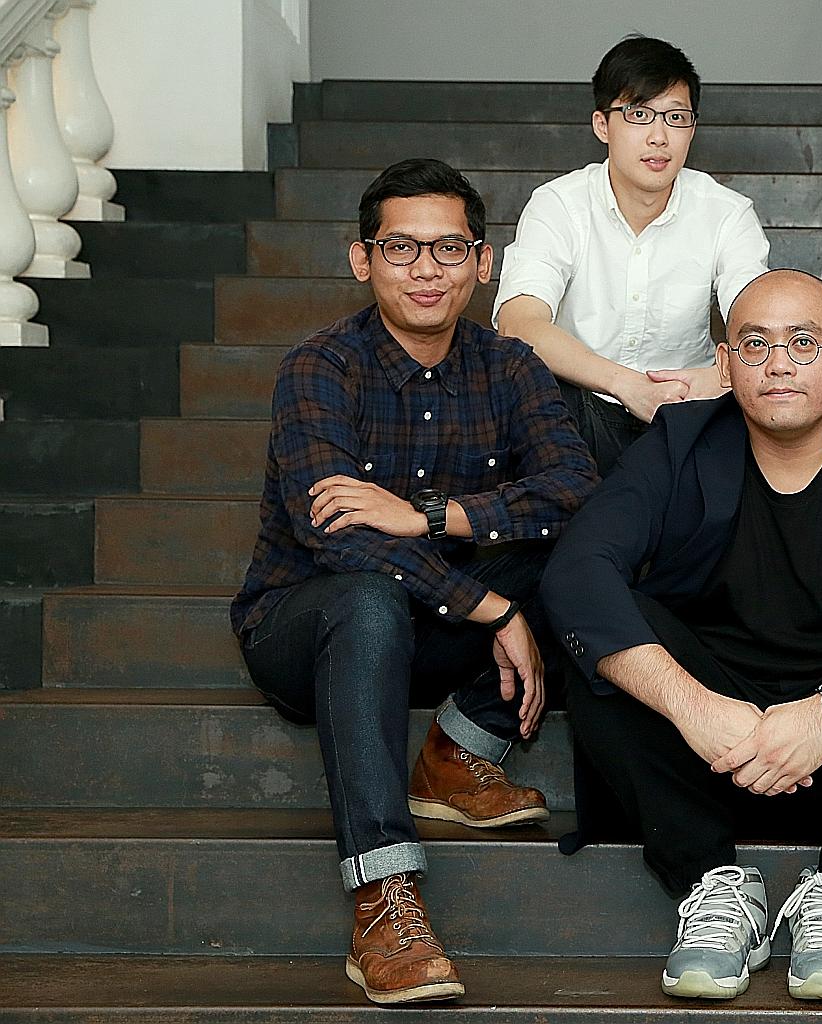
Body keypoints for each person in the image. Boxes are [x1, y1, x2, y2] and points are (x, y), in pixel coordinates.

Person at [540, 270, 822, 1001]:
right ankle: (712, 884)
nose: (778, 363)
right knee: (609, 644)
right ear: (725, 366)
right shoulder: (679, 440)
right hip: (708, 746)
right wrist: (694, 707)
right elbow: (577, 570)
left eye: (802, 343)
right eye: (755, 344)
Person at [230, 158, 599, 1005]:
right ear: (362, 260)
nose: (427, 270)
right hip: (306, 630)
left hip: (431, 623)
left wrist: (430, 517)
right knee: (366, 598)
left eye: (449, 248)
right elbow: (335, 535)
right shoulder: (319, 367)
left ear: (484, 262)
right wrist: (490, 605)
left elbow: (574, 489)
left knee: (589, 554)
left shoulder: (511, 366)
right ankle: (383, 898)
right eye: (401, 248)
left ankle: (457, 752)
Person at [493, 35, 771, 474]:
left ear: (692, 128)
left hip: (688, 404)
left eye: (676, 117)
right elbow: (519, 323)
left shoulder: (726, 213)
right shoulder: (559, 204)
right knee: (543, 396)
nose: (659, 137)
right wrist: (626, 386)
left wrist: (715, 379)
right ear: (602, 125)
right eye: (639, 114)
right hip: (580, 406)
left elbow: (761, 327)